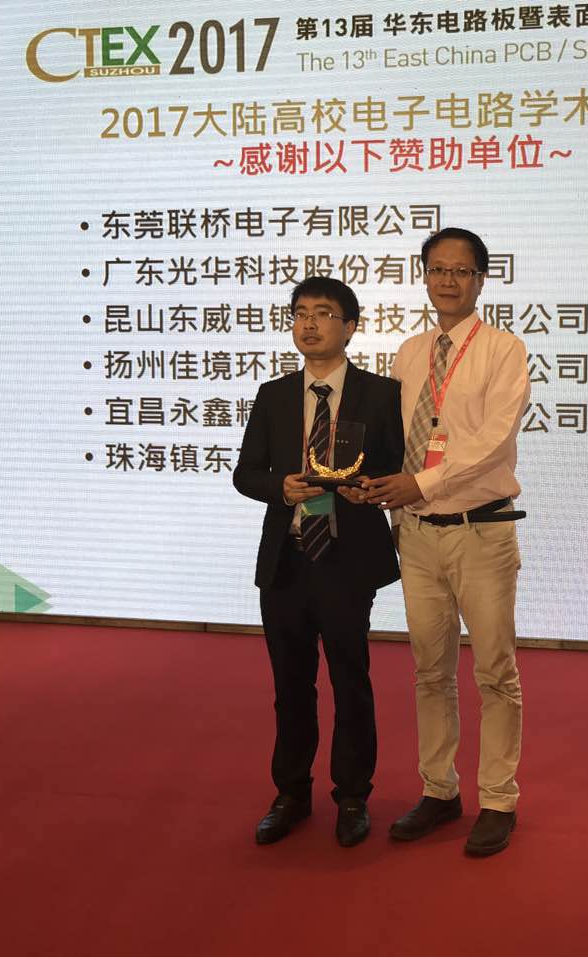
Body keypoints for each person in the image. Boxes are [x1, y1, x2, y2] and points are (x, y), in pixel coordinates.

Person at [365, 227, 529, 857]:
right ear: (425, 277)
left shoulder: (504, 350)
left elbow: (492, 442)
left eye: (461, 271)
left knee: (494, 672)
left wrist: (422, 482)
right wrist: (376, 486)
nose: (448, 281)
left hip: (480, 531)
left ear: (481, 279)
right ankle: (439, 790)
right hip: (416, 534)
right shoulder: (409, 353)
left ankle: (499, 799)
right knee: (430, 672)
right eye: (438, 269)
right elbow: (394, 435)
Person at [233, 276, 403, 848]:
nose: (309, 323)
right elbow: (245, 473)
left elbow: (395, 467)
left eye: (324, 313)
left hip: (346, 558)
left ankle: (352, 796)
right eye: (300, 313)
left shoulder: (382, 394)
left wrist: (369, 489)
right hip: (287, 559)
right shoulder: (274, 395)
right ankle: (291, 793)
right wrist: (279, 487)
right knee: (290, 683)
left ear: (350, 326)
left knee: (350, 679)